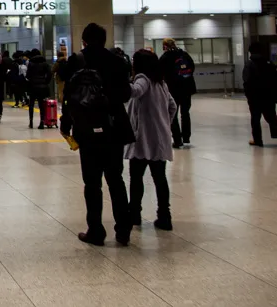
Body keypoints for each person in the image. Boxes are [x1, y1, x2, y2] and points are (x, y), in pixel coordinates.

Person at [66, 22, 134, 246]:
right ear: (104, 40)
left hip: (87, 128)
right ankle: (123, 230)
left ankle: (96, 230)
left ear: (83, 40)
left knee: (92, 183)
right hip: (113, 126)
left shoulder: (76, 60)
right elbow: (126, 94)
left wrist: (66, 124)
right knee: (116, 179)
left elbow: (69, 96)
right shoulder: (117, 60)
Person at [126, 49, 177, 230]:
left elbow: (135, 92)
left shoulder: (143, 79)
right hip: (160, 139)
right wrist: (164, 124)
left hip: (143, 140)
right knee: (160, 178)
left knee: (136, 178)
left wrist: (120, 83)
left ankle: (134, 214)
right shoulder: (160, 82)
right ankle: (164, 215)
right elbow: (172, 106)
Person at [243, 42, 277, 149]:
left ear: (250, 51)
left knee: (255, 118)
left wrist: (248, 94)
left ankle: (258, 140)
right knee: (271, 117)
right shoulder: (269, 63)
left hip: (255, 96)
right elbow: (276, 81)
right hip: (269, 95)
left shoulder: (250, 64)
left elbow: (247, 80)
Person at [158, 39, 196, 149]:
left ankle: (177, 140)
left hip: (173, 89)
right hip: (187, 89)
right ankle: (186, 137)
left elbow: (159, 72)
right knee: (185, 113)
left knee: (173, 114)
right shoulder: (184, 54)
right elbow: (192, 68)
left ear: (165, 46)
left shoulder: (165, 57)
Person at [25, 48, 52, 129]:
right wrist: (45, 82)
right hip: (42, 87)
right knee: (41, 105)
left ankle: (31, 122)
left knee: (31, 104)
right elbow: (49, 74)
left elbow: (28, 75)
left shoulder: (31, 63)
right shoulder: (45, 63)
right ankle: (42, 122)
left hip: (33, 86)